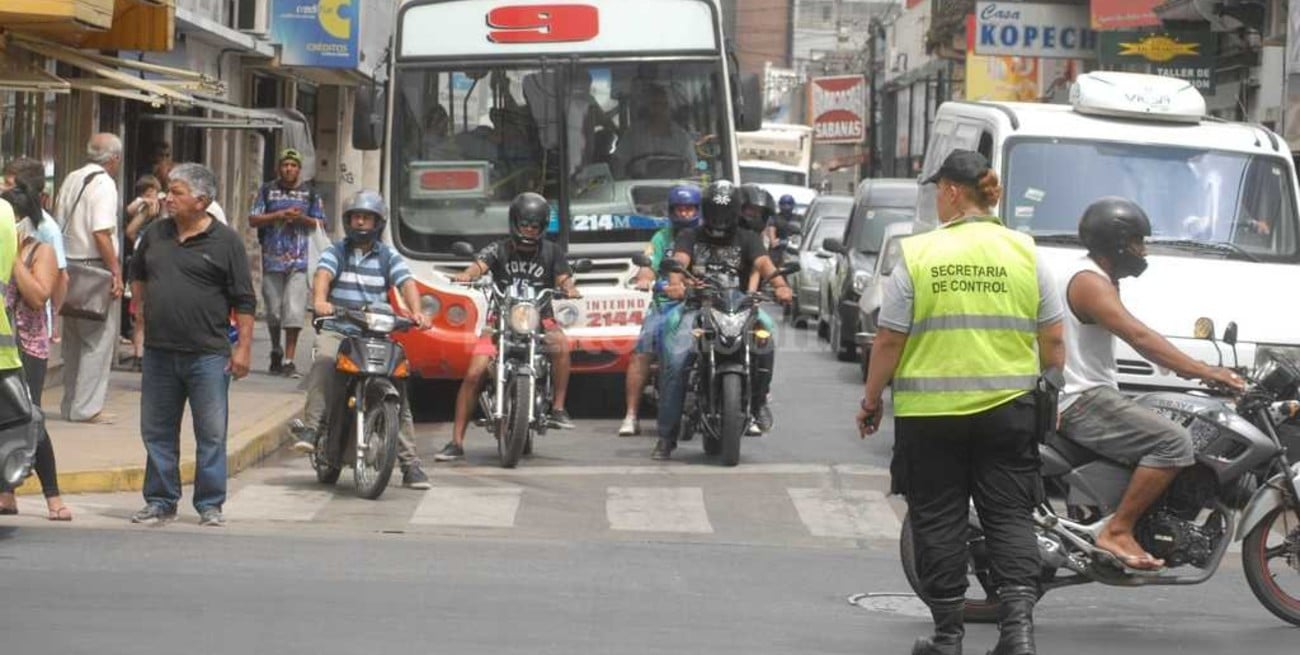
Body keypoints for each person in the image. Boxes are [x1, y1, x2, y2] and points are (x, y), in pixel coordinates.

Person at [856, 150, 1065, 655]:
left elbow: (889, 340)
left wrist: (870, 400)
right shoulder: (1025, 251)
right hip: (1010, 412)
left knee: (938, 520)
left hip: (932, 419)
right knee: (1011, 518)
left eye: (936, 191)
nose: (935, 200)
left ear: (952, 191)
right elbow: (1054, 341)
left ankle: (948, 638)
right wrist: (1050, 398)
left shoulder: (920, 254)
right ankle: (1018, 635)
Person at [1057, 196, 1244, 570]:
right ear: (1117, 242)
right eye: (1138, 243)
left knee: (1170, 414)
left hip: (1093, 393)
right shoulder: (1088, 282)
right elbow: (1139, 337)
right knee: (1175, 442)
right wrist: (1205, 371)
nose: (1144, 252)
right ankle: (1117, 530)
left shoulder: (1095, 275)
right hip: (1081, 400)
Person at [127, 163, 256, 527]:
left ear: (201, 201)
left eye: (177, 191)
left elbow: (244, 300)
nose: (168, 197)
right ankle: (160, 499)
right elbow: (138, 273)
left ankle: (210, 503)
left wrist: (243, 347)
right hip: (159, 352)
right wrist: (140, 312)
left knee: (211, 433)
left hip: (208, 356)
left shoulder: (227, 242)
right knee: (156, 430)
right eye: (169, 190)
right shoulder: (155, 234)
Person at [295, 190, 433, 490]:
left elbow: (406, 283)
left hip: (376, 331)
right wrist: (320, 301)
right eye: (356, 217)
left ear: (377, 222)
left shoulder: (388, 256)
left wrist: (416, 312)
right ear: (348, 221)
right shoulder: (337, 251)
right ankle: (311, 428)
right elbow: (322, 275)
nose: (361, 222)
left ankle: (410, 465)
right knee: (324, 361)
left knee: (399, 384)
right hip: (340, 328)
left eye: (366, 217)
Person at [654, 180, 793, 460]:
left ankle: (759, 402)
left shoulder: (748, 238)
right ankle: (666, 437)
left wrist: (780, 286)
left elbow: (765, 265)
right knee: (677, 359)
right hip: (697, 307)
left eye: (724, 212)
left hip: (740, 307)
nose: (719, 219)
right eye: (713, 212)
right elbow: (678, 263)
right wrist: (676, 283)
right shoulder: (690, 237)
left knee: (767, 335)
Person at [438, 192, 580, 461]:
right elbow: (477, 267)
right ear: (515, 223)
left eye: (535, 226)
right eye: (525, 224)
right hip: (498, 321)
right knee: (474, 373)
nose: (529, 230)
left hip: (541, 318)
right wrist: (466, 276)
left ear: (542, 227)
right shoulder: (498, 249)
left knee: (561, 345)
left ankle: (559, 408)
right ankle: (456, 441)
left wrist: (570, 289)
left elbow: (564, 279)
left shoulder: (552, 251)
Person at [0, 169, 68, 520]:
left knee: (29, 417)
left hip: (27, 346)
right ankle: (6, 493)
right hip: (4, 347)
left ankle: (52, 496)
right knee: (5, 421)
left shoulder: (40, 250)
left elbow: (38, 295)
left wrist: (12, 257)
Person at [619, 184, 701, 436]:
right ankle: (631, 415)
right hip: (666, 305)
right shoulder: (661, 237)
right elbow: (648, 265)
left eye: (690, 209)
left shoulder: (706, 236)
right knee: (642, 350)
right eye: (680, 209)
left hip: (699, 304)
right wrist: (645, 278)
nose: (685, 214)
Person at [55, 133, 124, 424]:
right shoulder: (104, 184)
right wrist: (116, 271)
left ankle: (70, 403)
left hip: (68, 267)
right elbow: (101, 232)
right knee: (98, 341)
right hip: (95, 268)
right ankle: (86, 408)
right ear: (114, 159)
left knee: (72, 340)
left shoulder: (73, 177)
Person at [249, 148, 325, 378]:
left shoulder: (310, 194)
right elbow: (253, 219)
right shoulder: (267, 191)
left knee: (294, 311)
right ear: (278, 168)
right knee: (273, 311)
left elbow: (321, 223)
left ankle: (289, 360)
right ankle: (275, 349)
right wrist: (278, 216)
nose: (289, 169)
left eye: (293, 165)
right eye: (285, 165)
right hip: (272, 261)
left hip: (300, 263)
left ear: (299, 169)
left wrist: (301, 218)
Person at [3, 158, 68, 339]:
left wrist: (54, 321)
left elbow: (61, 277)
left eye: (8, 184)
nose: (2, 189)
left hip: (29, 329)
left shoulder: (46, 229)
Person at [613, 84, 698, 179]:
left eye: (663, 104)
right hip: (638, 187)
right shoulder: (633, 135)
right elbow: (618, 162)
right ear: (648, 107)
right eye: (655, 104)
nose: (659, 109)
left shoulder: (682, 137)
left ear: (669, 107)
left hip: (674, 188)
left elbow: (692, 167)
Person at [123, 174, 164, 370]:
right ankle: (139, 355)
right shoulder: (143, 209)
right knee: (139, 313)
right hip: (143, 264)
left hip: (159, 266)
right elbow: (130, 230)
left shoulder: (165, 211)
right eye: (148, 193)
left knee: (148, 313)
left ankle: (147, 354)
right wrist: (145, 209)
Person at [765, 194, 799, 265]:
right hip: (777, 255)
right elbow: (773, 242)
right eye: (784, 204)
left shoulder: (799, 219)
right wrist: (785, 242)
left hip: (795, 254)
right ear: (780, 205)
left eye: (789, 204)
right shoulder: (774, 219)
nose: (786, 207)